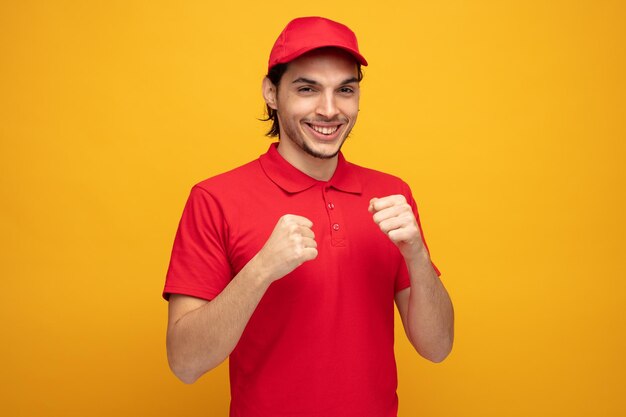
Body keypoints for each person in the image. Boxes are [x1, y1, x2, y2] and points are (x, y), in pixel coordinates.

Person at [163, 16, 454, 417]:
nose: (329, 110)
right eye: (307, 89)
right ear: (271, 92)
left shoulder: (391, 195)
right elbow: (184, 363)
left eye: (345, 90)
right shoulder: (215, 198)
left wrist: (417, 255)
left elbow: (437, 348)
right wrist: (261, 268)